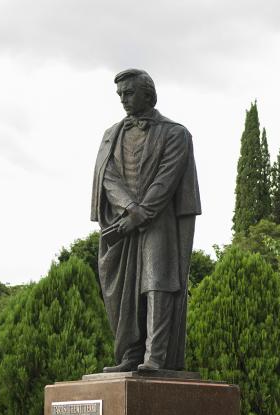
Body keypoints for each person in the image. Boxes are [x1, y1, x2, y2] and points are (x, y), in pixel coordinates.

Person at [90, 69, 201, 372]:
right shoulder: (111, 134)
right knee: (122, 290)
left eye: (129, 93)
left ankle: (156, 356)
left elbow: (166, 179)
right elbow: (106, 176)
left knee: (157, 284)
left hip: (160, 221)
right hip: (121, 220)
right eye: (120, 95)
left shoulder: (175, 133)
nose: (123, 100)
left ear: (148, 95)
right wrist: (128, 209)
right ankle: (130, 354)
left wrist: (140, 214)